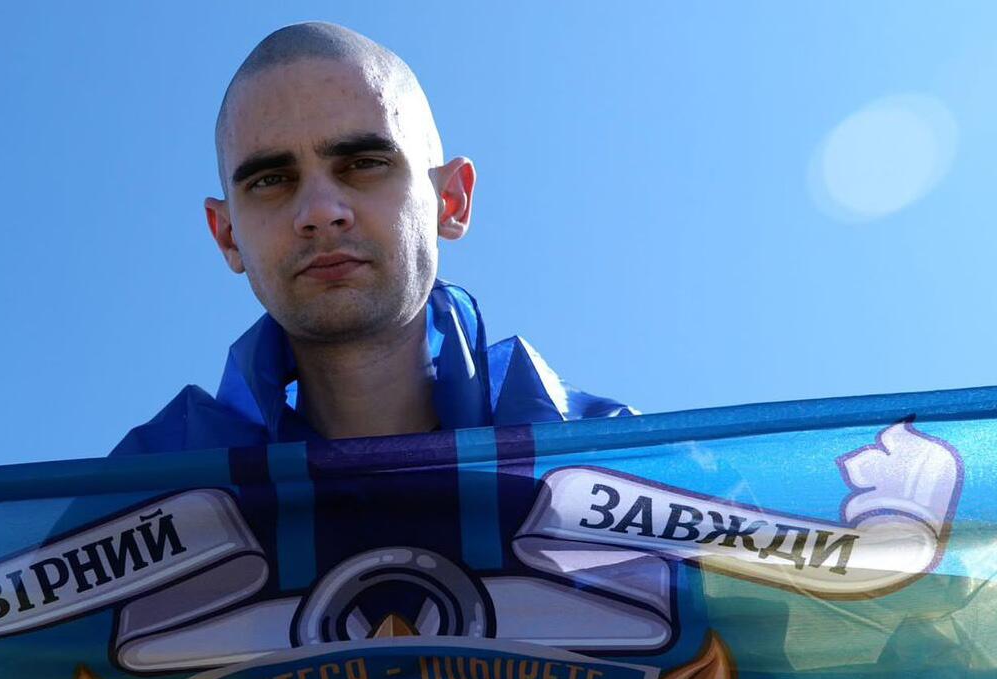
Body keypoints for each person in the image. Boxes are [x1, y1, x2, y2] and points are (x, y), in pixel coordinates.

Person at [113, 21, 630, 456]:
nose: (320, 212)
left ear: (451, 200)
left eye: (364, 163)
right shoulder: (145, 503)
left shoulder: (611, 471)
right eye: (270, 180)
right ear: (227, 236)